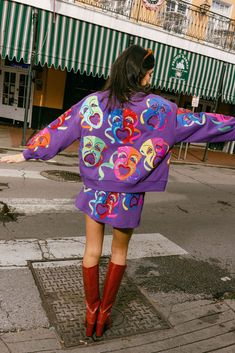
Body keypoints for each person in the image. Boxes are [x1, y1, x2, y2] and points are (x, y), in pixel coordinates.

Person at [0, 45, 235, 338]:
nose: (151, 76)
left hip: (96, 188)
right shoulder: (161, 110)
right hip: (130, 193)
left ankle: (90, 315)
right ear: (142, 72)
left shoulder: (92, 104)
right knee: (119, 252)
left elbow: (62, 128)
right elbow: (205, 123)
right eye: (150, 71)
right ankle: (105, 316)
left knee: (91, 250)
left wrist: (28, 153)